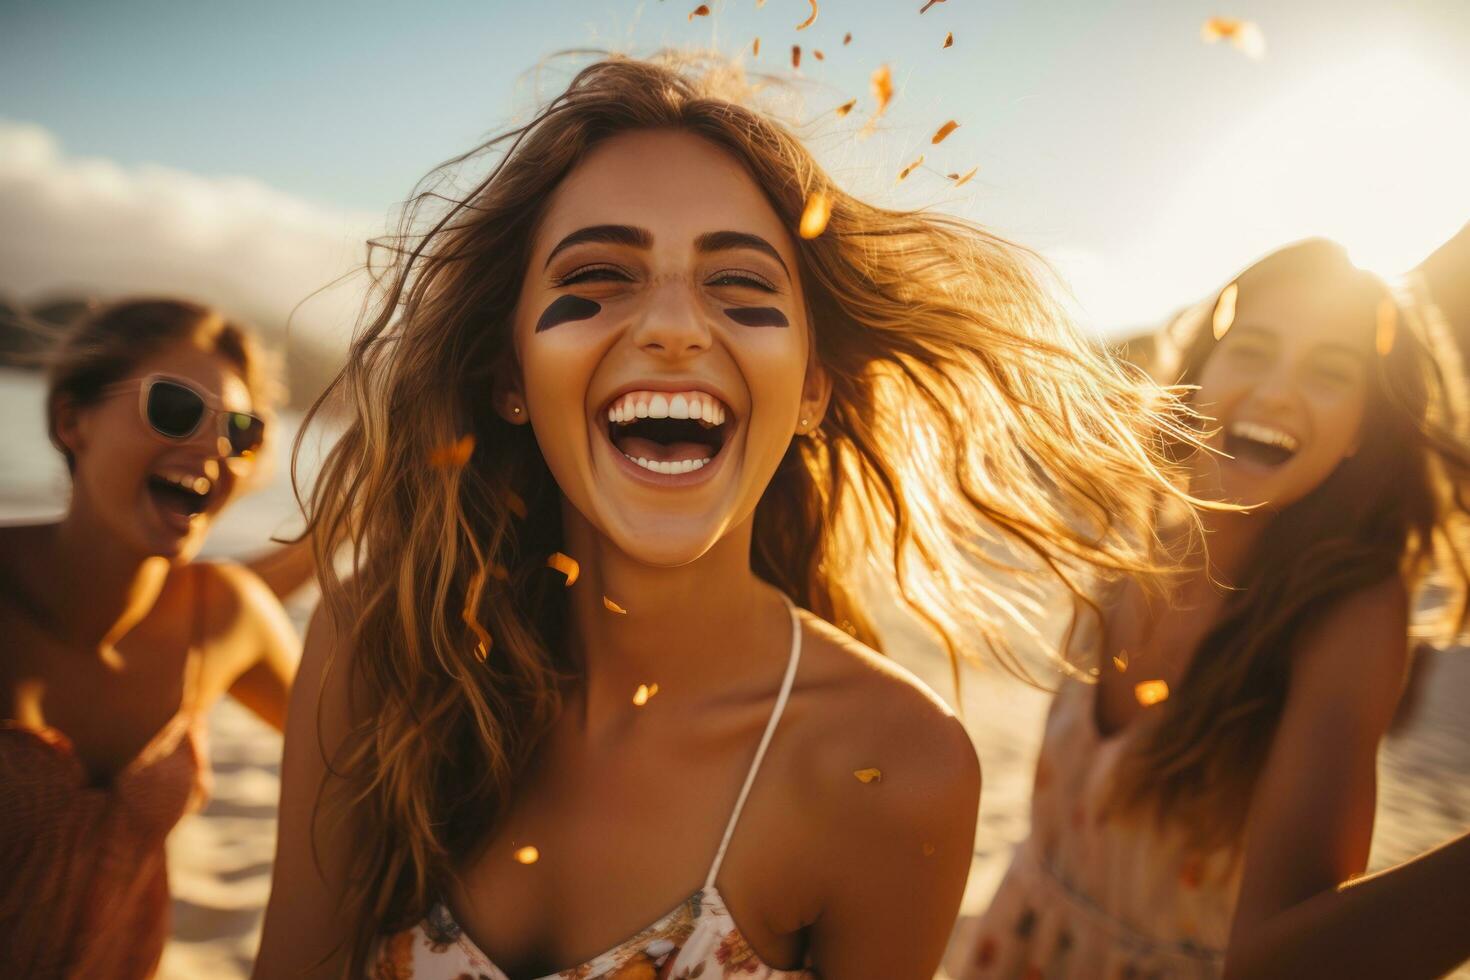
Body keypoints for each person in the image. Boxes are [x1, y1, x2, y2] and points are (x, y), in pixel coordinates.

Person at [254, 53, 1201, 979]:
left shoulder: (895, 767)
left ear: (813, 389)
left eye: (741, 286)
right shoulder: (381, 646)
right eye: (603, 274)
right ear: (509, 375)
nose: (674, 324)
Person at [953, 239, 1470, 979]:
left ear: (1362, 427)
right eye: (1253, 351)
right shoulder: (1126, 539)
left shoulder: (1349, 614)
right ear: (1199, 376)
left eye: (1329, 372)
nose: (1278, 392)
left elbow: (1282, 961)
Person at [0, 298, 300, 979]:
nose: (214, 449)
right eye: (173, 408)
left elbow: (366, 750)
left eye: (241, 431)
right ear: (71, 419)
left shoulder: (225, 616)